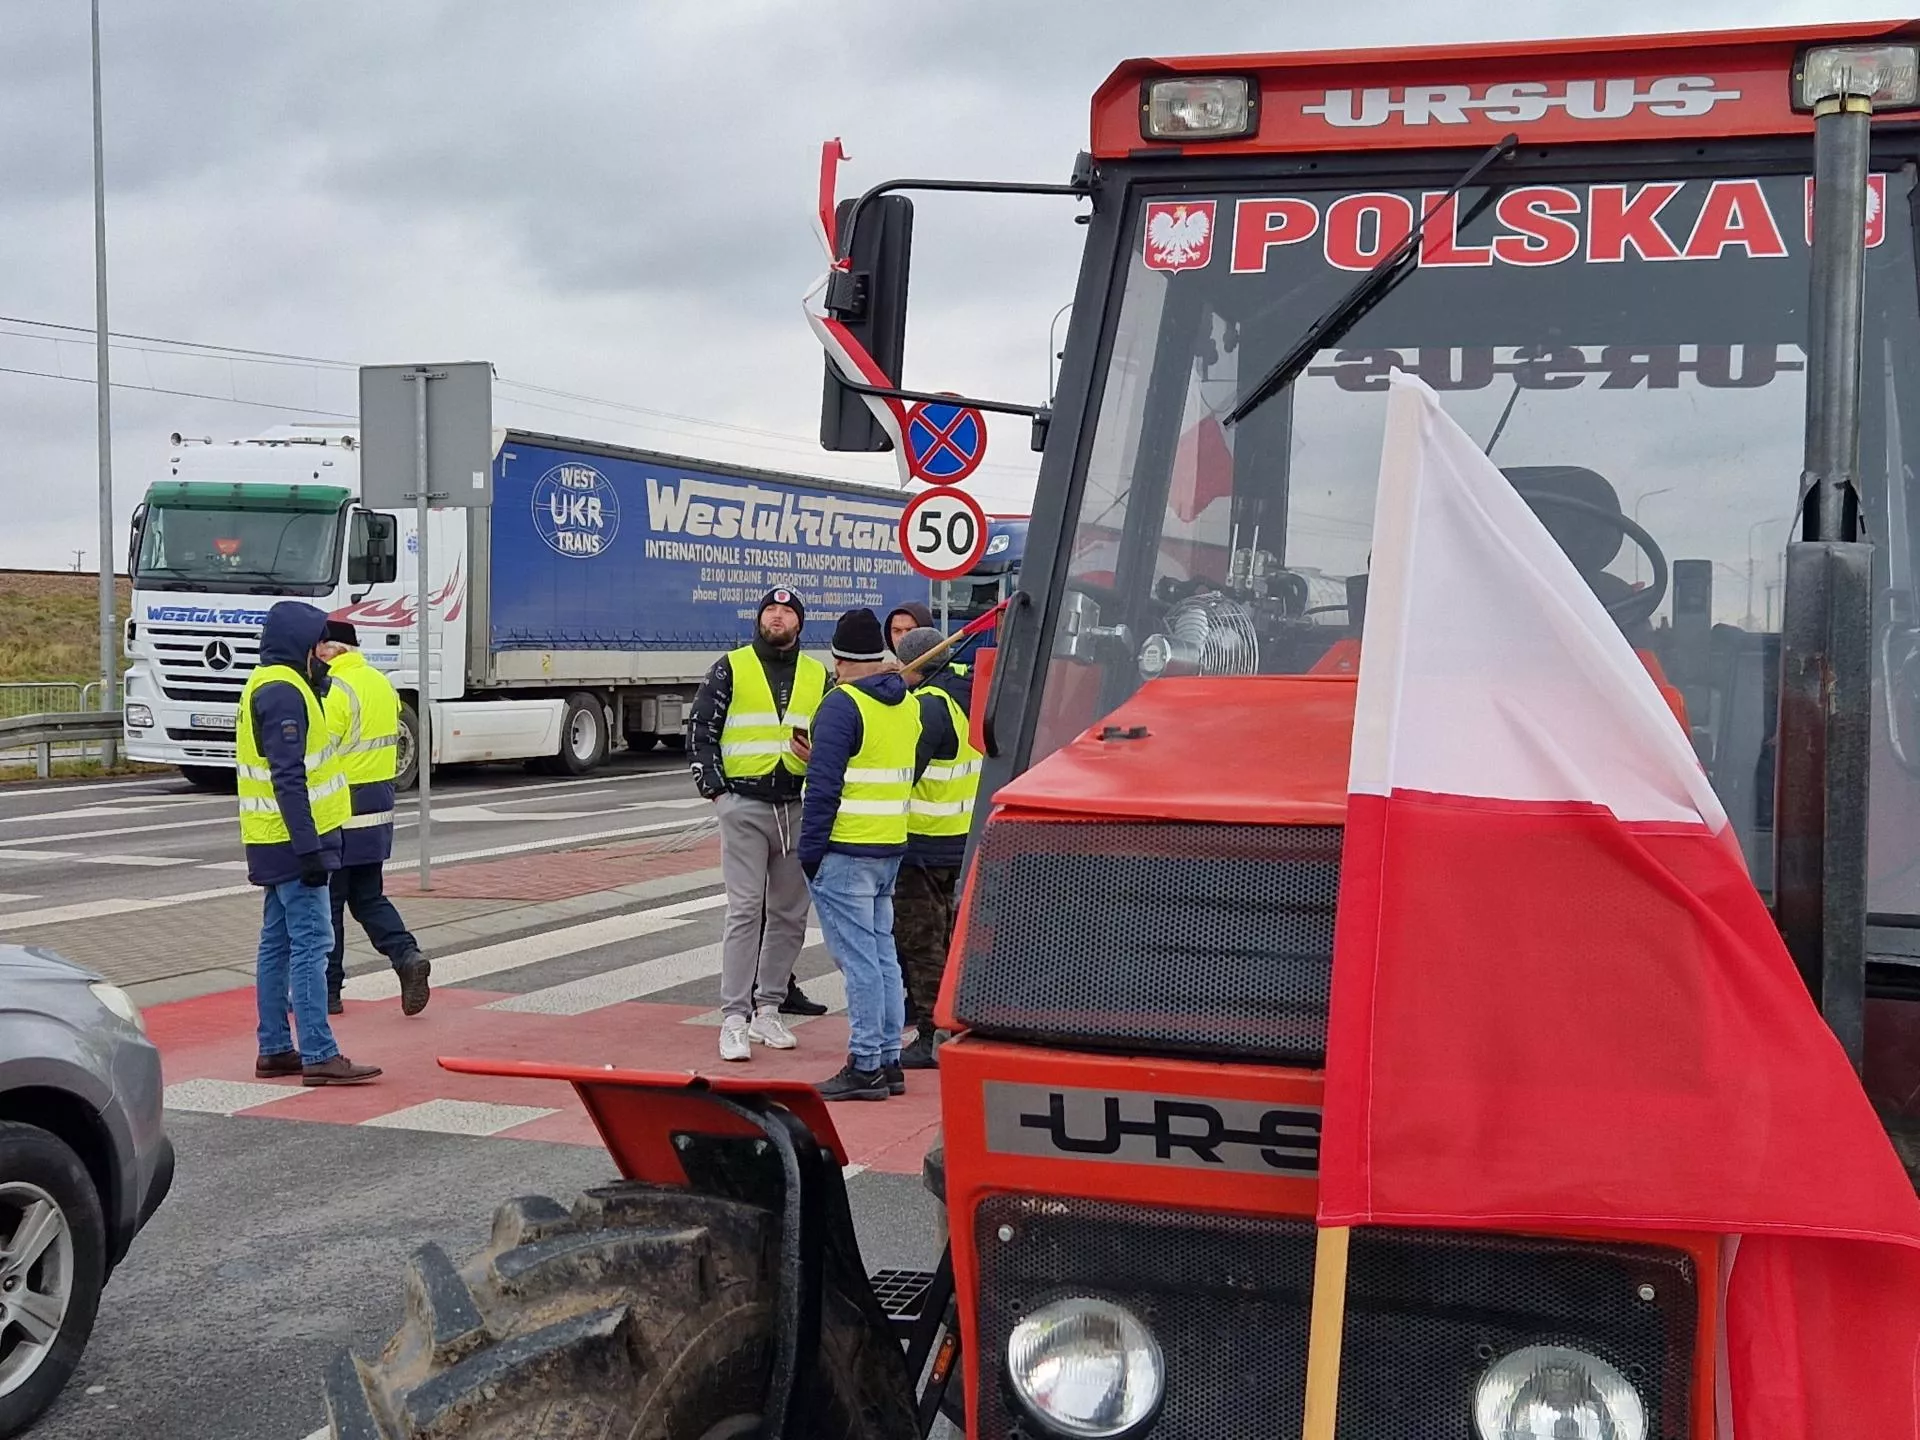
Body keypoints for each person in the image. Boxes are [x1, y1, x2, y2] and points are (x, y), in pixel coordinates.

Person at [238, 602, 380, 1086]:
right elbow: (289, 776)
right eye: (318, 645)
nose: (324, 654)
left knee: (276, 944)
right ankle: (319, 1051)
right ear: (300, 645)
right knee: (313, 944)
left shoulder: (273, 683)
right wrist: (310, 849)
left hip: (272, 838)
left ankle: (275, 1048)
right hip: (296, 841)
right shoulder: (282, 691)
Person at [689, 587, 828, 1062]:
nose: (778, 616)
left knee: (790, 915)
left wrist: (818, 762)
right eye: (771, 609)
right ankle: (734, 1017)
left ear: (799, 624)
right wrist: (716, 791)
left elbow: (831, 734)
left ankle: (768, 1007)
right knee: (745, 910)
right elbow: (702, 728)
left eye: (787, 611)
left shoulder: (817, 674)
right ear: (759, 617)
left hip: (796, 804)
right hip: (744, 805)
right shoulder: (732, 666)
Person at [799, 609, 926, 1101]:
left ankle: (866, 1063)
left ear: (839, 660)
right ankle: (890, 1062)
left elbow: (823, 785)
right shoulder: (907, 703)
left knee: (859, 963)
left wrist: (810, 855)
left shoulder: (841, 705)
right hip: (889, 845)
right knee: (882, 956)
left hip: (845, 849)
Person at [318, 619, 430, 1016]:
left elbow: (321, 746)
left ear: (336, 650)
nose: (316, 655)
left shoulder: (334, 689)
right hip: (378, 802)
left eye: (320, 649)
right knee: (368, 896)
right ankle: (407, 956)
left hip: (341, 803)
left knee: (329, 902)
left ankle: (327, 991)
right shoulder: (382, 683)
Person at [892, 626, 982, 1069]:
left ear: (913, 663)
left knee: (921, 941)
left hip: (923, 842)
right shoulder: (972, 694)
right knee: (951, 938)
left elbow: (904, 772)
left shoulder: (928, 706)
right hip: (962, 839)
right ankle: (957, 1021)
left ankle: (931, 1033)